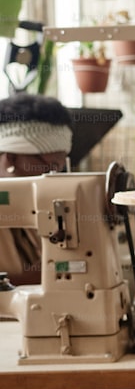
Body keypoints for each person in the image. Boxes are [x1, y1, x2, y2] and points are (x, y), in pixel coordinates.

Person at [0, 93, 73, 286]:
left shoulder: (30, 208)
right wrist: (45, 274)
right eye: (50, 167)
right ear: (11, 159)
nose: (54, 176)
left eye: (60, 167)